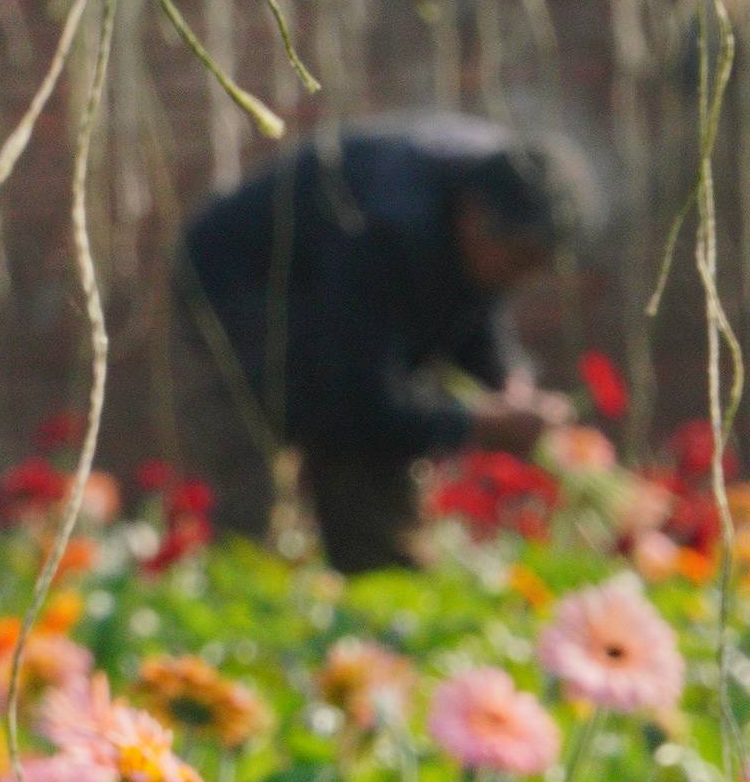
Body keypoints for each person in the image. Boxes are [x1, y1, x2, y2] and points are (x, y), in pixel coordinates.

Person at [179, 113, 583, 572]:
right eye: (517, 261)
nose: (518, 280)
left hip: (337, 301)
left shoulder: (496, 191)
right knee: (265, 483)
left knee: (375, 482)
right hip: (239, 290)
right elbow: (357, 395)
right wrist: (473, 422)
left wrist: (508, 380)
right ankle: (244, 604)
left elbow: (477, 305)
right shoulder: (388, 228)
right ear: (473, 216)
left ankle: (377, 597)